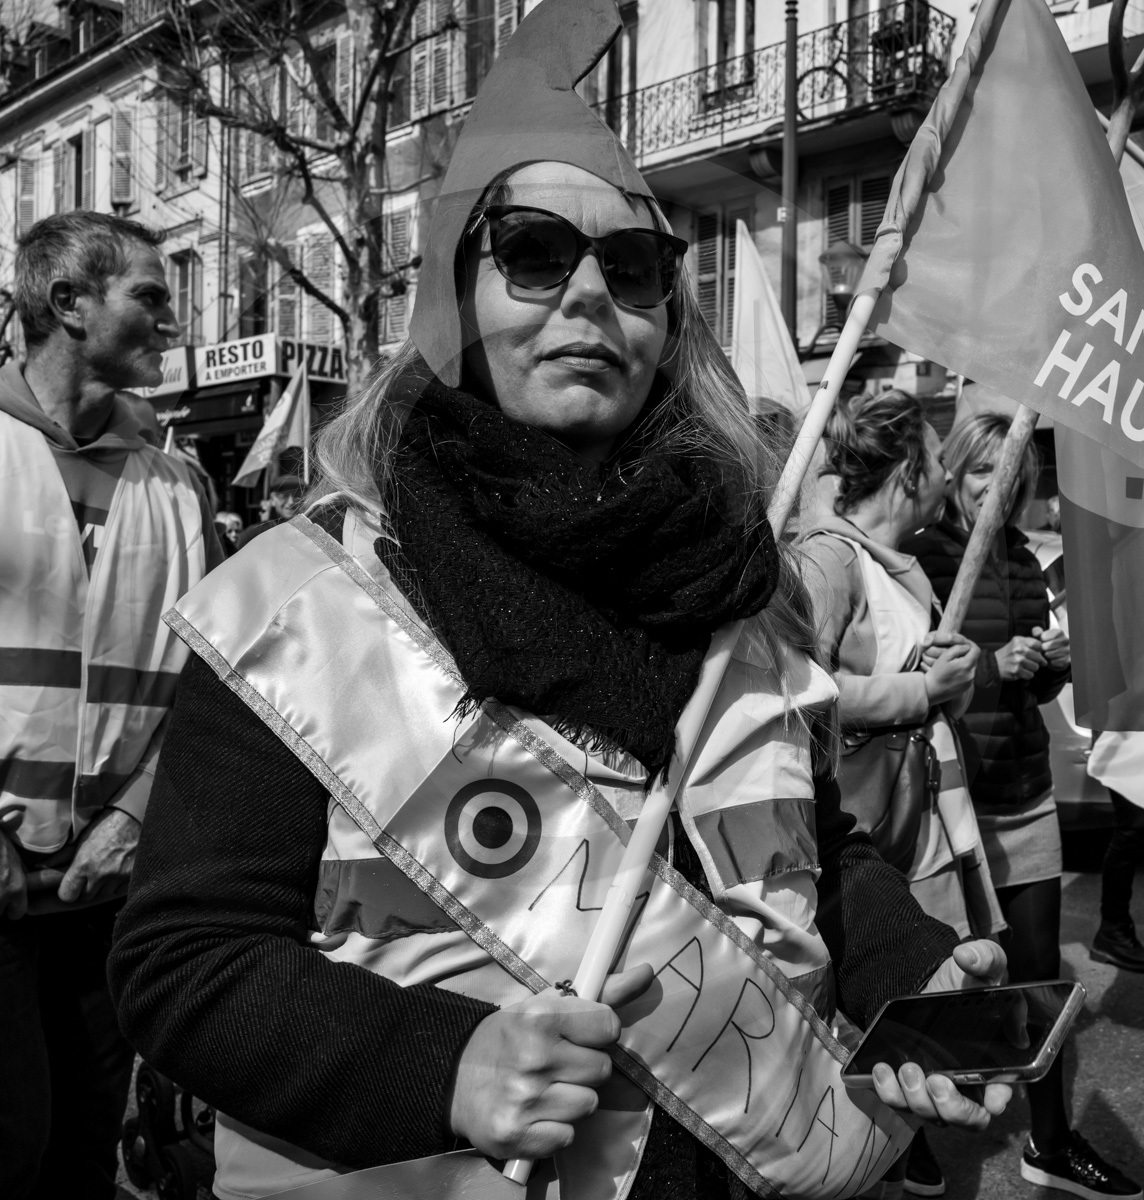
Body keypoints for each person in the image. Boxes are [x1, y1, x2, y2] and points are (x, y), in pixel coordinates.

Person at [108, 4, 1013, 1198]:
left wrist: (913, 972)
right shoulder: (305, 600)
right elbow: (188, 961)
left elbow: (802, 843)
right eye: (533, 250)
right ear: (451, 297)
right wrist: (445, 1064)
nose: (589, 294)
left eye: (631, 266)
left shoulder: (741, 583)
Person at [0, 211, 222, 1198]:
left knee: (89, 1148)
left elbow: (208, 681)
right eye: (150, 294)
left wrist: (137, 821)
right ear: (67, 304)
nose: (172, 319)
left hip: (103, 890)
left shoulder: (179, 482)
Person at [905, 411, 1141, 1200]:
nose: (995, 491)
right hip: (948, 803)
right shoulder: (924, 561)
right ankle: (908, 1139)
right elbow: (914, 696)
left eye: (1009, 479)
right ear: (954, 475)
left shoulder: (1023, 560)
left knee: (1039, 980)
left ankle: (1052, 1141)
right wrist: (996, 669)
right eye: (980, 473)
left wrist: (1051, 667)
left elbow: (1026, 683)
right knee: (933, 976)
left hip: (1025, 791)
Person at [799, 391, 1004, 1198]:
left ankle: (905, 1142)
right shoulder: (828, 557)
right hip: (860, 822)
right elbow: (803, 693)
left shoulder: (900, 566)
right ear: (908, 467)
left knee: (925, 980)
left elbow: (912, 675)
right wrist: (919, 693)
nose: (946, 474)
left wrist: (952, 676)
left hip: (919, 813)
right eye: (936, 457)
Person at [1086, 733, 1144, 971]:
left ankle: (1113, 929)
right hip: (1128, 738)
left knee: (1132, 831)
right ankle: (1112, 930)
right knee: (1132, 829)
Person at [237, 475, 303, 548]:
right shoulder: (257, 533)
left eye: (297, 496)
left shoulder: (306, 533)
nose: (291, 502)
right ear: (273, 499)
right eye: (284, 496)